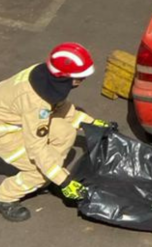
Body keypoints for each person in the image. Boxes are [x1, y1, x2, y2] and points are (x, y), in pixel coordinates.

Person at [0, 43, 114, 222]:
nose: (83, 80)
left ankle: (49, 176)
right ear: (65, 78)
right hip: (4, 132)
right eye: (80, 77)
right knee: (38, 172)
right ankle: (6, 197)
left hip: (17, 120)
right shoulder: (35, 104)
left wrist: (91, 123)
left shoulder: (44, 77)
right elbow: (36, 148)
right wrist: (64, 181)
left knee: (65, 132)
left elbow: (59, 107)